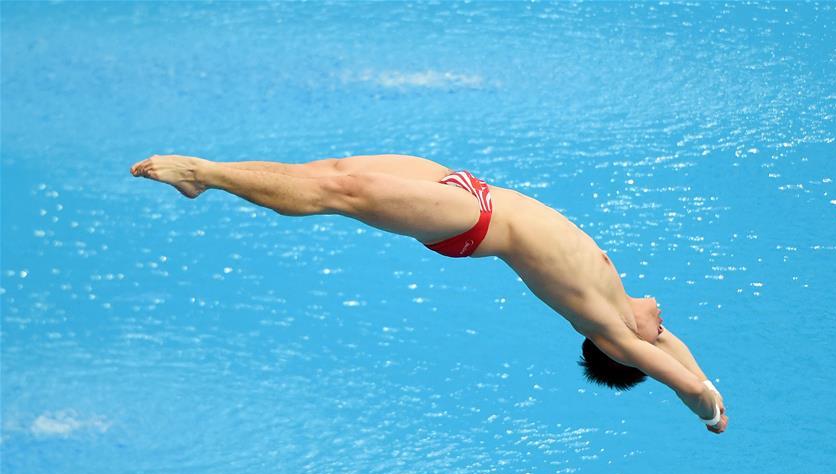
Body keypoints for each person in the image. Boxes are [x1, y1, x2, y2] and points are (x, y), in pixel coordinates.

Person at [130, 153, 728, 434]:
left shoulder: (612, 328)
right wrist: (713, 389)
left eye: (661, 333)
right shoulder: (624, 312)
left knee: (343, 193)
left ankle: (201, 173)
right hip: (468, 189)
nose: (666, 321)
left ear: (629, 352)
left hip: (472, 219)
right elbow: (678, 352)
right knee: (326, 171)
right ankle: (210, 179)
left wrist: (705, 407)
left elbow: (680, 377)